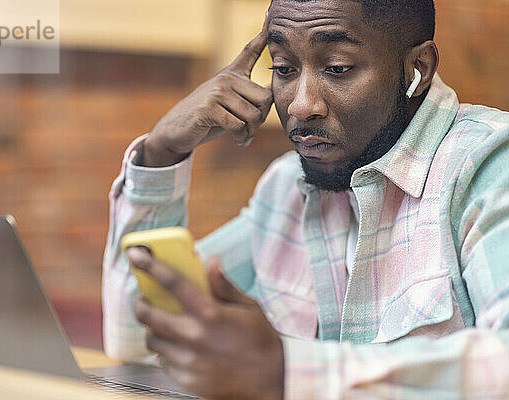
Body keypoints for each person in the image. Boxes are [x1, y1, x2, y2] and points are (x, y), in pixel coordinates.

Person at [103, 1, 509, 399]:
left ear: (416, 69)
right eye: (283, 69)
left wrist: (285, 371)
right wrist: (161, 153)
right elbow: (135, 339)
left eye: (337, 68)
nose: (300, 104)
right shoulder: (286, 187)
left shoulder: (488, 163)